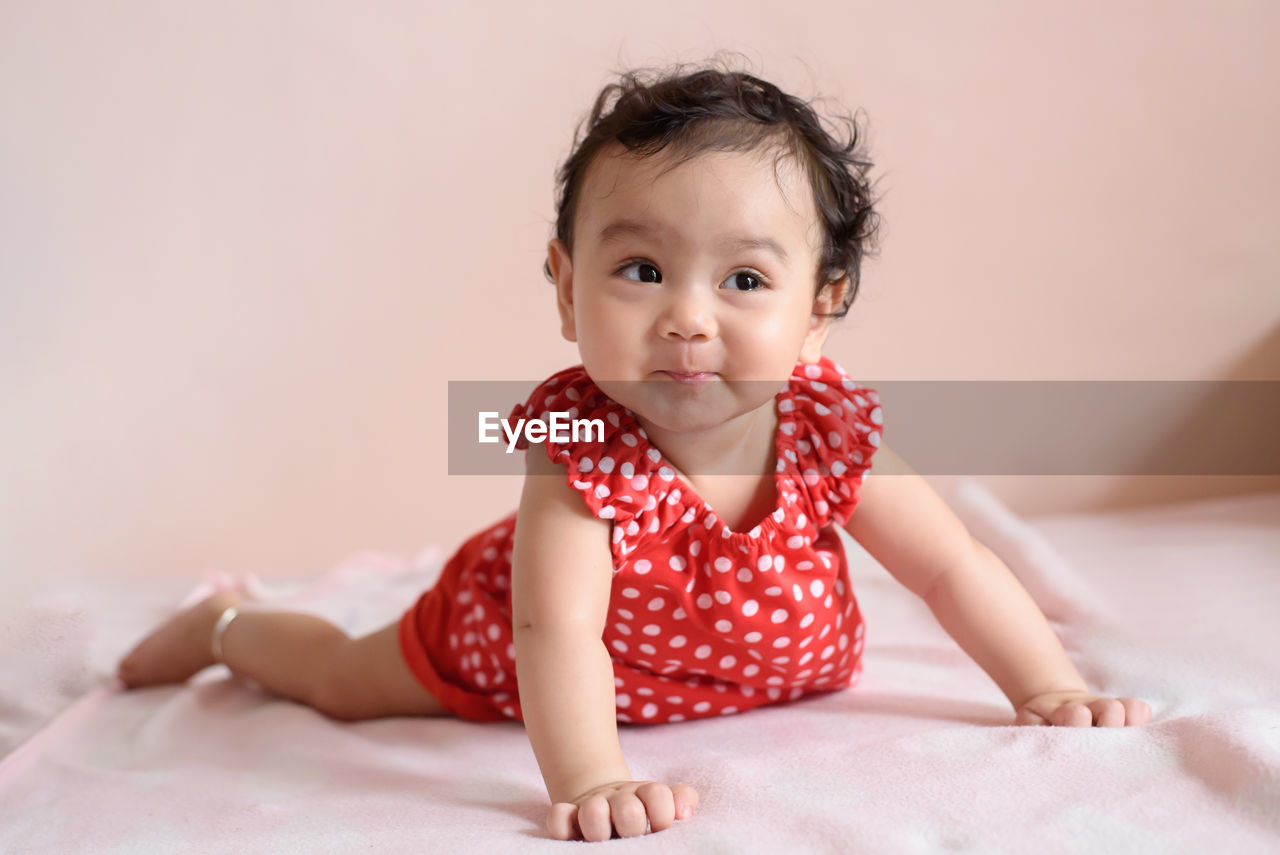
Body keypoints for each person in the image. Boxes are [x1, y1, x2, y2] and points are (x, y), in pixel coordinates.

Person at [116, 58, 1153, 843]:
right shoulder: (580, 448)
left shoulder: (824, 432)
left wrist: (1042, 685)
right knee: (341, 676)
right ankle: (226, 628)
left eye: (744, 281)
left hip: (756, 677)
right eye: (642, 270)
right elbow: (551, 628)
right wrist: (590, 780)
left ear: (819, 310)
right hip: (500, 649)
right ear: (567, 290)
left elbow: (948, 566)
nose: (688, 320)